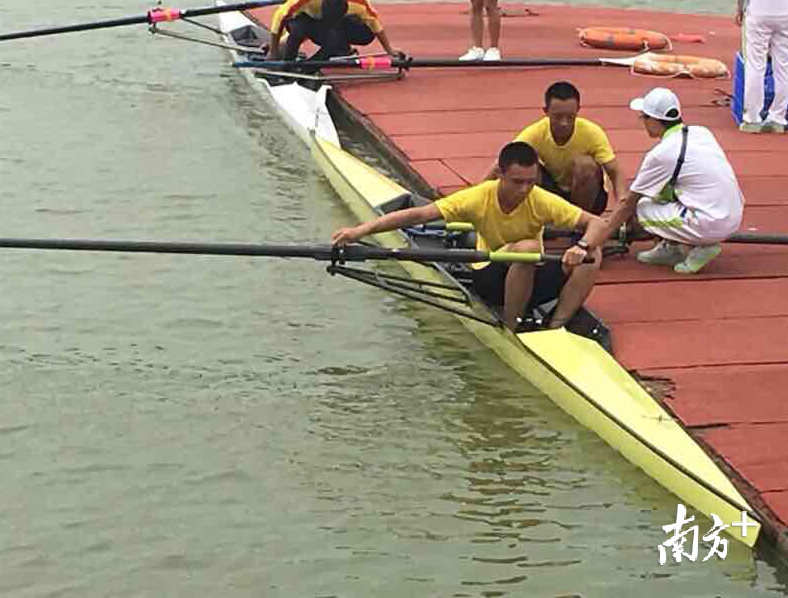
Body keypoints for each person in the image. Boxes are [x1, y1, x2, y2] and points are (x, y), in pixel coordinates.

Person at [332, 142, 608, 331]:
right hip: (489, 275)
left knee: (593, 254)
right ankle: (511, 329)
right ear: (500, 175)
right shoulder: (477, 197)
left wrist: (582, 246)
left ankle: (555, 325)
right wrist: (360, 230)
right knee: (525, 249)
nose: (525, 189)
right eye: (517, 182)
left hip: (528, 275)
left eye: (530, 182)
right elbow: (418, 215)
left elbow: (596, 223)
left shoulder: (542, 200)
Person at [583, 88, 745, 275]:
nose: (642, 122)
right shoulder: (701, 132)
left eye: (643, 117)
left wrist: (596, 239)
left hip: (711, 223)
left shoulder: (662, 154)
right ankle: (674, 245)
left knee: (642, 207)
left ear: (653, 120)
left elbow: (629, 202)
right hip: (734, 213)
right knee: (662, 192)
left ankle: (700, 246)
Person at [485, 81, 628, 216]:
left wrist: (622, 205)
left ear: (578, 110)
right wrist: (474, 198)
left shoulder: (592, 133)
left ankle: (582, 221)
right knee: (527, 167)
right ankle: (535, 217)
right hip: (554, 193)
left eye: (570, 117)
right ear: (546, 111)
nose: (564, 123)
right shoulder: (535, 133)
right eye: (558, 117)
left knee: (585, 165)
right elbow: (501, 165)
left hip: (589, 198)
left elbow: (615, 172)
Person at [268, 0, 403, 63]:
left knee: (334, 42)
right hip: (301, 18)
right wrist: (274, 49)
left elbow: (375, 23)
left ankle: (309, 68)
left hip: (328, 22)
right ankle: (287, 63)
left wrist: (389, 49)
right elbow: (279, 19)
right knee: (298, 31)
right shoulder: (303, 1)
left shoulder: (357, 4)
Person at [735, 0, 788, 133]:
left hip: (759, 10)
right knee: (783, 67)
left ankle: (752, 118)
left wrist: (739, 8)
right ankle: (778, 117)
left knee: (755, 65)